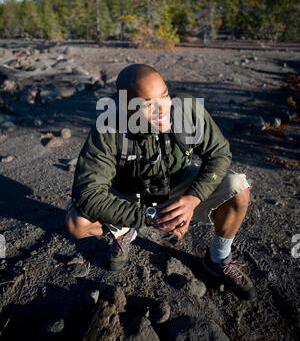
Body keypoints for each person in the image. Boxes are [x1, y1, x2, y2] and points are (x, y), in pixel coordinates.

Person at [65, 64, 255, 300]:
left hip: (175, 185)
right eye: (147, 104)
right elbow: (88, 194)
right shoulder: (109, 126)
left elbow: (219, 154)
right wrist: (150, 216)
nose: (162, 109)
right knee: (77, 223)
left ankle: (218, 258)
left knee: (238, 188)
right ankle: (125, 230)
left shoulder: (187, 111)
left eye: (164, 95)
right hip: (129, 193)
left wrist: (193, 198)